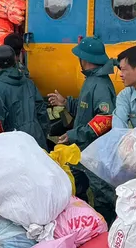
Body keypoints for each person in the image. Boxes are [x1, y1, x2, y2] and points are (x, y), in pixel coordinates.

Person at [47, 37, 117, 219]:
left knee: (103, 195)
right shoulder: (92, 80)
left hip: (95, 151)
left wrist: (74, 134)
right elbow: (86, 107)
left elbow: (105, 119)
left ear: (84, 59)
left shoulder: (100, 84)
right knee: (76, 187)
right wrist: (67, 102)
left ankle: (107, 228)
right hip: (83, 148)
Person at [0, 45, 50, 147]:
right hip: (36, 139)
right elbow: (42, 112)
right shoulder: (29, 83)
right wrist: (42, 136)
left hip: (15, 143)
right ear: (15, 62)